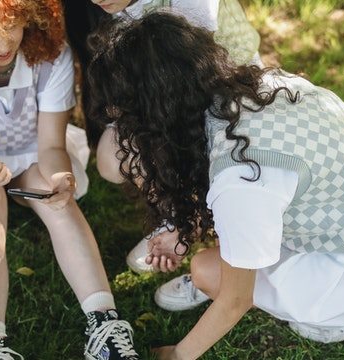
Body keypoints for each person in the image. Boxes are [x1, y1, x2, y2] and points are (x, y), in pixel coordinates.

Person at [86, 13, 344, 359]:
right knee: (223, 257)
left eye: (125, 115)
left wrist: (177, 355)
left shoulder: (241, 178)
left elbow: (235, 301)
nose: (120, 123)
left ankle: (328, 318)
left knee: (208, 270)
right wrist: (186, 229)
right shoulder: (255, 89)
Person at [0, 0, 139, 358]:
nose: (4, 46)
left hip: (32, 148)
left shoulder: (49, 54)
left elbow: (50, 144)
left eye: (12, 26)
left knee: (52, 194)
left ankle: (105, 324)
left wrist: (61, 175)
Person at [78, 0, 265, 274]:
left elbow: (205, 89)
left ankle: (207, 231)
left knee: (215, 166)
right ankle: (178, 216)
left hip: (221, 109)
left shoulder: (192, 5)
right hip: (164, 107)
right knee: (112, 154)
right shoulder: (116, 9)